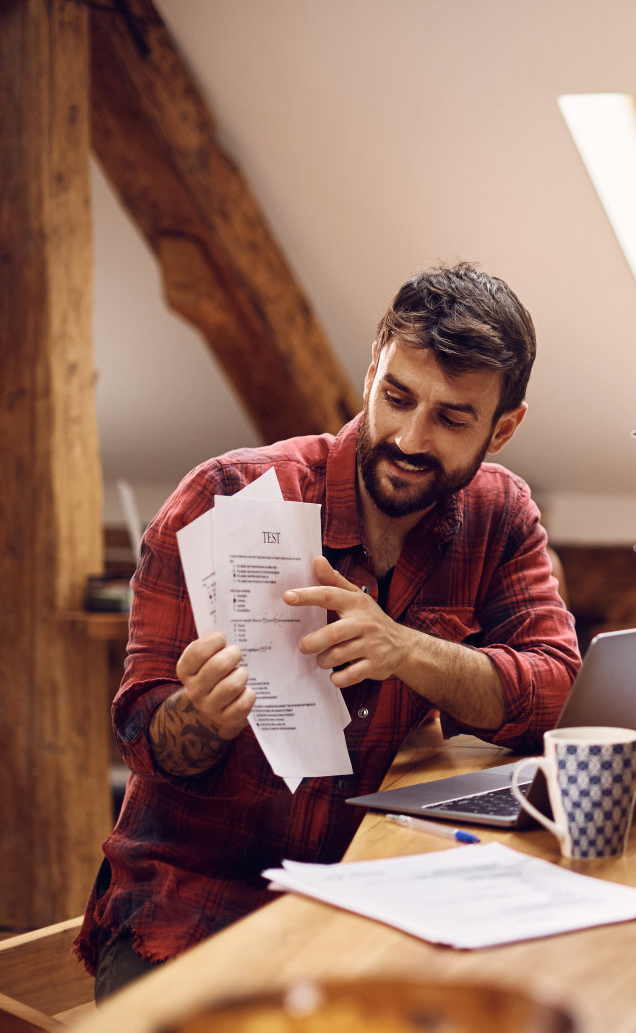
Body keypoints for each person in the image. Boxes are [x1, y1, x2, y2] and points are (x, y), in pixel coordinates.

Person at [76, 264, 582, 1000]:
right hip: (197, 902)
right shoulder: (223, 498)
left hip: (380, 900)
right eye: (397, 396)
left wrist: (407, 649)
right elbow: (144, 740)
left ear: (503, 427)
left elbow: (560, 691)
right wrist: (199, 718)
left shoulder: (500, 517)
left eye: (451, 418)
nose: (410, 436)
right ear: (372, 366)